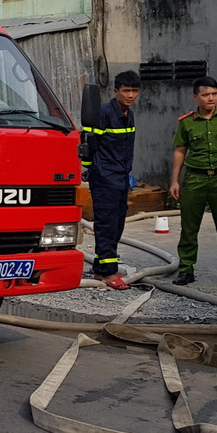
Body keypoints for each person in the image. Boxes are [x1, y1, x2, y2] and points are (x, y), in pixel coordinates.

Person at [169, 76, 217, 288]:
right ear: (196, 97)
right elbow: (180, 151)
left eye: (214, 94)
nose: (210, 98)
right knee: (189, 227)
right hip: (195, 179)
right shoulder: (187, 122)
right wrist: (175, 181)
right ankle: (186, 270)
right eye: (205, 95)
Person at [82, 71, 139, 290]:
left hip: (121, 177)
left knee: (117, 224)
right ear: (116, 91)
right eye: (126, 91)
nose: (130, 95)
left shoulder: (128, 114)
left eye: (134, 91)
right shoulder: (104, 113)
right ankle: (106, 273)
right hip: (105, 177)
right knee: (106, 225)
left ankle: (102, 266)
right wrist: (88, 169)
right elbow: (89, 142)